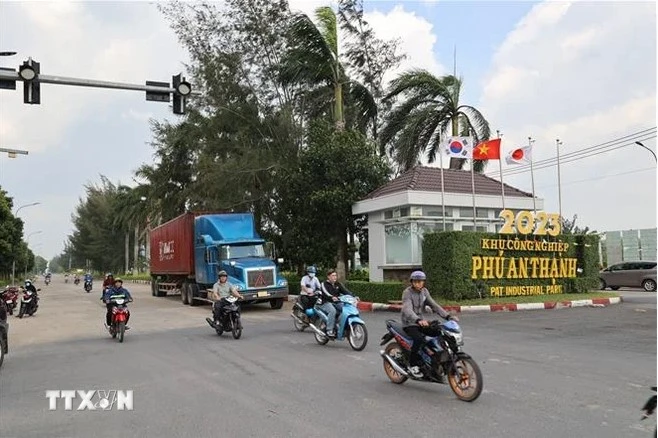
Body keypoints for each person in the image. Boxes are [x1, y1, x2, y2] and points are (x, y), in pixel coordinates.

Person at [401, 270, 457, 378]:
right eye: (416, 281)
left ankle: (437, 358)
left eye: (420, 281)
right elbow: (407, 309)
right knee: (419, 339)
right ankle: (413, 364)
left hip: (422, 322)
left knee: (439, 331)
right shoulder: (407, 293)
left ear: (423, 282)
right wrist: (417, 320)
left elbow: (434, 305)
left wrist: (447, 316)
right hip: (410, 323)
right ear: (412, 282)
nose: (418, 284)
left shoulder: (424, 292)